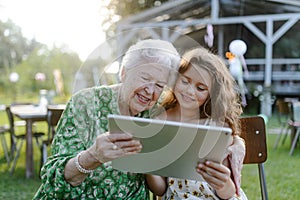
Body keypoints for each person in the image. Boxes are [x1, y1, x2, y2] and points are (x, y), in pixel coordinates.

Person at [33, 39, 181, 199]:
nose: (150, 90)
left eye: (160, 85)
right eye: (145, 78)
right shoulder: (85, 103)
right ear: (124, 73)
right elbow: (53, 178)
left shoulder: (159, 111)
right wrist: (92, 156)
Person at [146, 47, 247, 199]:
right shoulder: (161, 121)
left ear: (212, 94)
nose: (189, 91)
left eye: (200, 88)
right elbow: (160, 190)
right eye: (185, 81)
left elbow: (228, 194)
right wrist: (148, 166)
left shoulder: (217, 127)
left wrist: (223, 182)